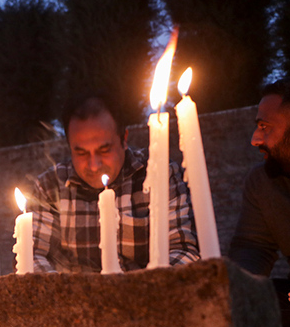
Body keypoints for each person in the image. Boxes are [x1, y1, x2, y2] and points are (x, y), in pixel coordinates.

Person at [30, 96, 200, 273]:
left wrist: (145, 289)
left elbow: (183, 249)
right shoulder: (50, 186)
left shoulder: (158, 175)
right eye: (81, 153)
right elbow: (35, 256)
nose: (94, 165)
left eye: (104, 150)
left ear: (124, 139)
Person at [229, 79, 290, 327]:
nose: (255, 138)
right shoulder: (264, 183)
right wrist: (237, 292)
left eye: (265, 127)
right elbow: (253, 247)